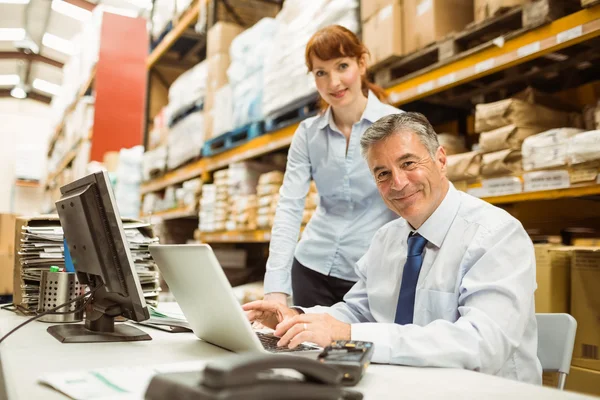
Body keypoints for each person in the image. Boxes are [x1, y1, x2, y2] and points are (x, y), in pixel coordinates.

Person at [244, 112, 543, 384]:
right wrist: (295, 318)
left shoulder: (496, 235)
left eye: (408, 163)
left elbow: (482, 344)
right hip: (406, 386)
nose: (398, 183)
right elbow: (359, 311)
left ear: (440, 160)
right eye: (383, 173)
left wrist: (347, 335)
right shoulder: (386, 239)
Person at [263, 25, 400, 308]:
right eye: (321, 72)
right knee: (310, 352)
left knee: (367, 352)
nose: (333, 82)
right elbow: (289, 207)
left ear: (362, 63)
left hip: (371, 275)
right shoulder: (308, 134)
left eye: (342, 66)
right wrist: (275, 288)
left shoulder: (397, 125)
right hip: (311, 268)